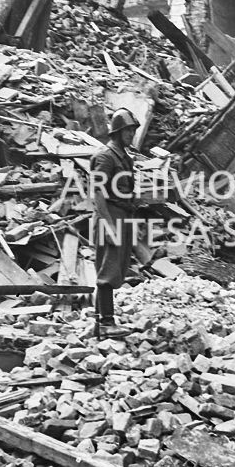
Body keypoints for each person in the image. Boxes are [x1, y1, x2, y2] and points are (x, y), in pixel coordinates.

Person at [92, 108, 140, 337]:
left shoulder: (124, 158)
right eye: (128, 131)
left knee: (117, 267)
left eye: (133, 131)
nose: (131, 135)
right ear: (117, 132)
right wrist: (108, 225)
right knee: (108, 269)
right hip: (109, 215)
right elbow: (98, 192)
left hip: (123, 216)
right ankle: (106, 323)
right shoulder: (105, 157)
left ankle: (99, 321)